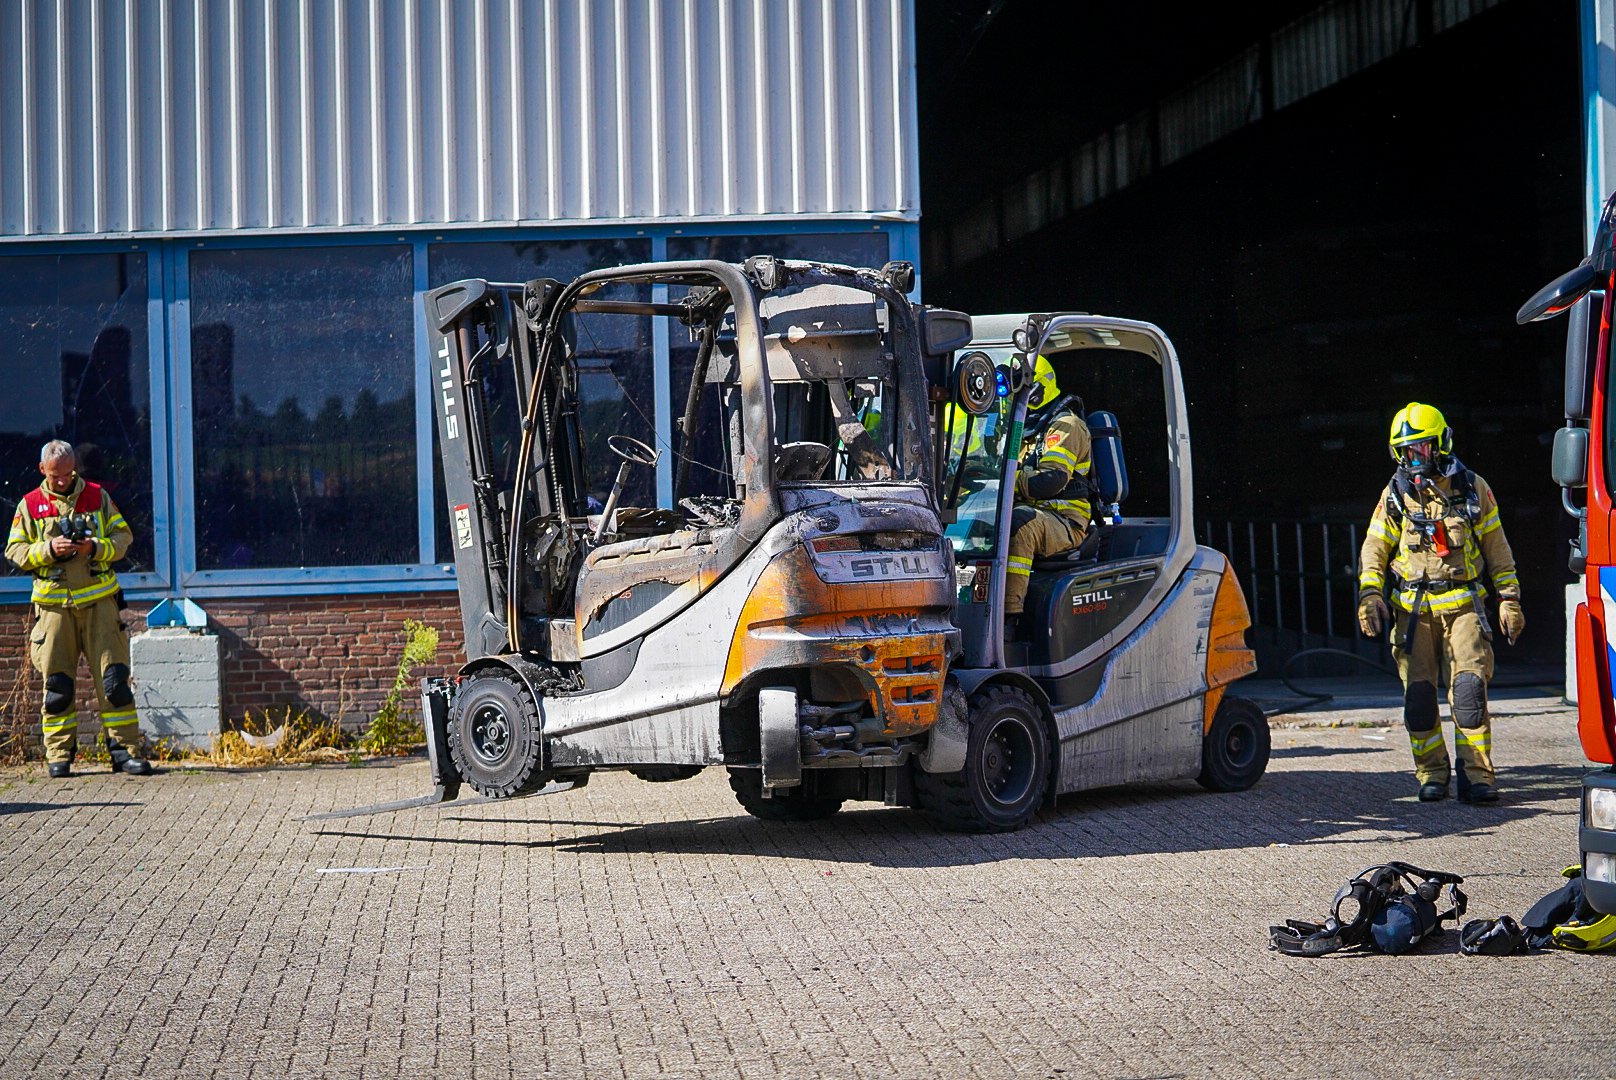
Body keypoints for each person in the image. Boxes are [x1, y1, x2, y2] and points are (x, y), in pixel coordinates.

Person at [1357, 403, 1523, 804]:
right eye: (1406, 451)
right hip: (1413, 614)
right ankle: (1431, 774)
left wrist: (1509, 597)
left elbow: (1496, 547)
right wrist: (1370, 593)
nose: (1414, 458)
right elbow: (1375, 545)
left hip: (1464, 607)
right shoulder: (1396, 494)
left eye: (1422, 448)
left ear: (1441, 444)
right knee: (1417, 700)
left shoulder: (1471, 488)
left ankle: (1477, 778)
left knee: (1468, 693)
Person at [6, 440, 153, 778]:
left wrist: (94, 547)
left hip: (99, 601)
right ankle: (59, 754)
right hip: (54, 606)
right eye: (57, 476)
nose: (63, 481)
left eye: (69, 473)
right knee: (58, 685)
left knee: (114, 680)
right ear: (42, 469)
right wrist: (48, 550)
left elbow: (123, 538)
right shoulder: (29, 505)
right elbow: (14, 551)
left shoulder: (97, 497)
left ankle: (125, 751)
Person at [1006, 355, 1093, 635]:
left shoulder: (1066, 425)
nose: (1017, 397)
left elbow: (1051, 480)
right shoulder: (1021, 426)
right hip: (1038, 512)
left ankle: (1006, 619)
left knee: (1021, 524)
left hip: (1065, 521)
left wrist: (1010, 482)